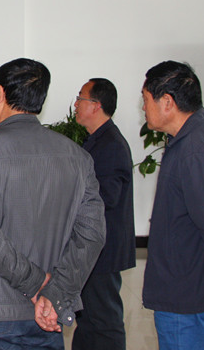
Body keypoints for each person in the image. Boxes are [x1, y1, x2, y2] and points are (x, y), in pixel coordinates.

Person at [0, 58, 106, 349]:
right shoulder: (77, 156)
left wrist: (36, 283)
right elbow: (92, 235)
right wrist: (55, 292)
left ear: (1, 93)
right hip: (49, 309)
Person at [141, 61, 204, 350]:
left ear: (167, 102)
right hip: (192, 288)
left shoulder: (195, 149)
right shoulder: (197, 135)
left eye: (146, 99)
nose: (143, 108)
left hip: (188, 297)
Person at [72, 78, 135, 350]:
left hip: (103, 250)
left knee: (105, 321)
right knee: (88, 318)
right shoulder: (97, 139)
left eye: (81, 98)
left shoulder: (111, 144)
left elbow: (106, 197)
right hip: (92, 247)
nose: (76, 104)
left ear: (96, 105)